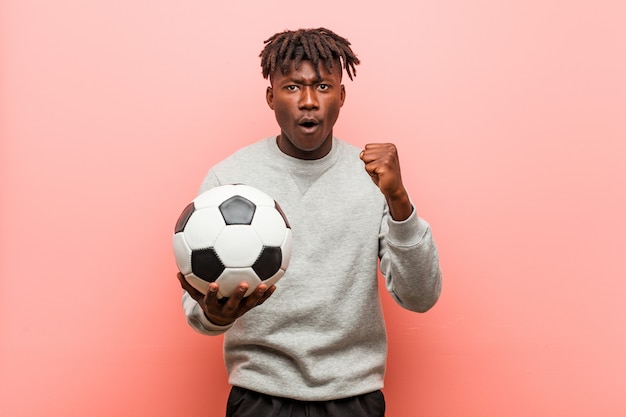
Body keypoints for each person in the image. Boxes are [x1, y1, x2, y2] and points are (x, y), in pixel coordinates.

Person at [177, 27, 442, 417]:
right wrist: (213, 315)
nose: (307, 102)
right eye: (291, 87)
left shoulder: (374, 179)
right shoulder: (228, 179)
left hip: (354, 397)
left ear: (341, 95)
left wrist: (399, 199)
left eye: (322, 86)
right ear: (270, 96)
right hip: (258, 397)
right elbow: (200, 310)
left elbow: (421, 297)